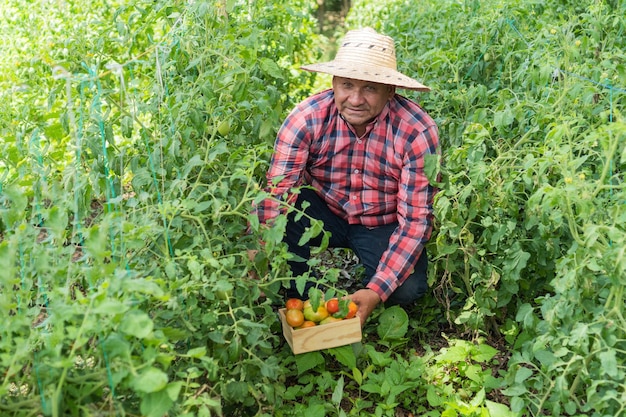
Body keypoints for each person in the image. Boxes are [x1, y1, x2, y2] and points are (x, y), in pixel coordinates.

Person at [253, 28, 440, 326]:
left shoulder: (416, 131)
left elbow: (416, 221)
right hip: (325, 210)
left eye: (370, 88)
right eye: (347, 85)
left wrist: (376, 290)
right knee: (287, 211)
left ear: (390, 90)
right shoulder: (307, 118)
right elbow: (278, 192)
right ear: (334, 83)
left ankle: (365, 291)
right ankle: (299, 294)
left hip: (382, 221)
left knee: (407, 289)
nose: (355, 99)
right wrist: (262, 252)